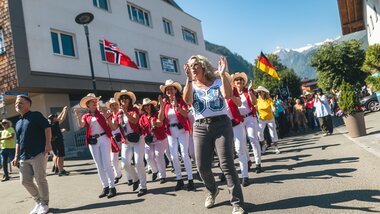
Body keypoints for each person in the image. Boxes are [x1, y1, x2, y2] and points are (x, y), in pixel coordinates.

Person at [183, 55, 245, 214]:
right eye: (190, 66)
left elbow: (227, 95)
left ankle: (237, 202)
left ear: (203, 66)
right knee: (202, 167)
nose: (193, 68)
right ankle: (212, 190)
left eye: (196, 65)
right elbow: (188, 100)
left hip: (221, 125)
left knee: (227, 165)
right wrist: (189, 80)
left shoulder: (217, 82)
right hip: (200, 127)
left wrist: (223, 74)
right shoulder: (191, 85)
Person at [11, 95, 52, 214]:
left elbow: (47, 128)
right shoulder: (18, 122)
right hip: (24, 156)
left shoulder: (36, 115)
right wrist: (16, 156)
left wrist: (48, 144)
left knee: (40, 179)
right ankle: (39, 201)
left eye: (20, 102)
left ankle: (44, 203)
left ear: (28, 104)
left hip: (38, 152)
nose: (17, 104)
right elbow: (18, 141)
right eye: (16, 103)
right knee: (24, 181)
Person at [73, 93, 119, 199]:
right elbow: (81, 125)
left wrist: (106, 114)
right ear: (88, 105)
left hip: (104, 138)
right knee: (99, 166)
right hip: (93, 141)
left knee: (107, 164)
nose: (94, 104)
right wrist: (78, 117)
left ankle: (112, 187)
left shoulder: (102, 113)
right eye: (92, 102)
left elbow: (110, 119)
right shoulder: (86, 116)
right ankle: (105, 187)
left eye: (95, 102)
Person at [159, 79, 194, 191]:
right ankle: (179, 179)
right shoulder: (165, 104)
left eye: (171, 88)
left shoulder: (181, 101)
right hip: (170, 131)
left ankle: (190, 179)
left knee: (184, 154)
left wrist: (177, 107)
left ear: (175, 90)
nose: (169, 90)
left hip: (182, 130)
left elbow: (185, 114)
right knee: (174, 156)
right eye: (167, 89)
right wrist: (161, 106)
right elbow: (160, 119)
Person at [114, 89, 147, 197]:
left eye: (126, 98)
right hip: (126, 141)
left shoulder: (135, 110)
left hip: (138, 138)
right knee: (125, 164)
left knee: (138, 162)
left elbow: (134, 121)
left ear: (130, 100)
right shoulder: (118, 114)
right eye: (122, 98)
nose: (123, 100)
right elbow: (114, 127)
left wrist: (125, 112)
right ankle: (135, 178)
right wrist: (107, 118)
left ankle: (143, 187)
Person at [231, 72, 262, 174]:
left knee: (253, 139)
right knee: (242, 143)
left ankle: (258, 163)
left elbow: (254, 103)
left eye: (241, 80)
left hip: (249, 118)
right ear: (234, 83)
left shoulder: (248, 91)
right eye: (237, 80)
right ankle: (248, 161)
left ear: (244, 82)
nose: (239, 81)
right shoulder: (232, 92)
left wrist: (250, 92)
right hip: (238, 120)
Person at [140, 97, 167, 184]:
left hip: (159, 138)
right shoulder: (143, 117)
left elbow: (161, 122)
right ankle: (155, 171)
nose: (147, 107)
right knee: (148, 157)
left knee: (158, 155)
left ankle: (162, 175)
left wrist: (157, 124)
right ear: (143, 108)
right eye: (145, 106)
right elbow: (141, 127)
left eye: (148, 105)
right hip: (149, 140)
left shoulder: (157, 114)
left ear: (151, 106)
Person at [255, 86, 280, 154]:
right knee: (259, 133)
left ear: (264, 92)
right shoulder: (257, 101)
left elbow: (272, 106)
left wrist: (273, 109)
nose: (259, 93)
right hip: (262, 119)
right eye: (258, 92)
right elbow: (256, 109)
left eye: (260, 92)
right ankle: (263, 145)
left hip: (270, 118)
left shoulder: (269, 99)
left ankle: (276, 148)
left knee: (273, 133)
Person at [105, 98, 123, 184]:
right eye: (112, 105)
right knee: (113, 159)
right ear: (110, 107)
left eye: (115, 104)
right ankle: (118, 174)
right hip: (113, 138)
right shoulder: (109, 116)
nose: (114, 106)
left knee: (124, 159)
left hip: (122, 137)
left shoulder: (121, 114)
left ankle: (129, 177)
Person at [48, 106, 69, 176]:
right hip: (58, 141)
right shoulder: (54, 123)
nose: (56, 117)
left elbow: (59, 118)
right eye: (54, 117)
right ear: (53, 119)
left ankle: (58, 169)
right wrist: (65, 111)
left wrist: (63, 110)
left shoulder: (51, 123)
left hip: (54, 141)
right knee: (61, 156)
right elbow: (62, 118)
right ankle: (61, 170)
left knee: (57, 155)